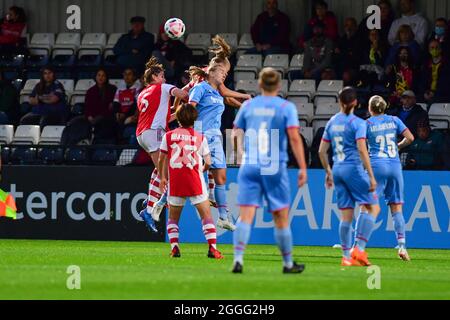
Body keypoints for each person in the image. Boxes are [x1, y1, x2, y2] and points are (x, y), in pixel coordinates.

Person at [231, 67, 308, 274]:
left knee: (245, 215)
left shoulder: (248, 105)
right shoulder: (286, 107)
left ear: (259, 84)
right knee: (280, 216)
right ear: (279, 85)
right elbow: (294, 138)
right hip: (273, 165)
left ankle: (238, 259)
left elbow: (236, 132)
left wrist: (239, 154)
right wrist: (302, 167)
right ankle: (287, 263)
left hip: (250, 163)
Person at [318, 87, 380, 267]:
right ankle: (359, 249)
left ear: (339, 101)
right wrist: (371, 175)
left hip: (337, 170)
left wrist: (328, 172)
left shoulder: (331, 122)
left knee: (346, 216)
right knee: (373, 208)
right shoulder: (358, 123)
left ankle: (346, 257)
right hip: (353, 169)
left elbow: (322, 151)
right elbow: (362, 149)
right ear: (356, 103)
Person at [159, 103, 223, 259]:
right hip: (194, 180)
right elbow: (208, 162)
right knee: (206, 216)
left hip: (176, 181)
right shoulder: (200, 137)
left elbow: (161, 158)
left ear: (178, 118)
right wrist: (201, 170)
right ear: (195, 118)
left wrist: (162, 178)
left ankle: (175, 248)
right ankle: (212, 249)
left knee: (173, 218)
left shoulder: (168, 136)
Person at [136, 57, 188, 232]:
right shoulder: (163, 88)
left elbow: (167, 116)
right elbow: (183, 95)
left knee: (159, 169)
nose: (165, 78)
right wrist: (193, 92)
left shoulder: (143, 93)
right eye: (162, 75)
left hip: (143, 134)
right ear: (155, 77)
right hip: (153, 132)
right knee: (165, 170)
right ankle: (149, 209)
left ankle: (151, 198)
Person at [363, 95, 414, 261]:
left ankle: (358, 247)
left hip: (377, 165)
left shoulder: (367, 124)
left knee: (368, 207)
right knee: (396, 208)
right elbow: (411, 138)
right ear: (384, 108)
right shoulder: (394, 120)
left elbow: (360, 146)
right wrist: (397, 147)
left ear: (370, 109)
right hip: (394, 165)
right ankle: (402, 246)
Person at [188, 63, 237, 231]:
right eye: (221, 72)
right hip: (200, 135)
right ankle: (162, 201)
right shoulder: (200, 88)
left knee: (221, 178)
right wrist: (188, 131)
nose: (224, 75)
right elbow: (189, 109)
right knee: (189, 173)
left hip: (215, 137)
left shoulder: (217, 92)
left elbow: (229, 99)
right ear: (210, 72)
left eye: (226, 73)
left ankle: (223, 218)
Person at [419, 39, 450, 104]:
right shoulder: (426, 65)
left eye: (437, 47)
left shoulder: (447, 64)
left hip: (442, 94)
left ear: (441, 49)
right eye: (432, 48)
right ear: (429, 50)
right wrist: (425, 92)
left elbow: (445, 83)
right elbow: (422, 82)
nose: (434, 50)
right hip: (428, 93)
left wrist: (434, 93)